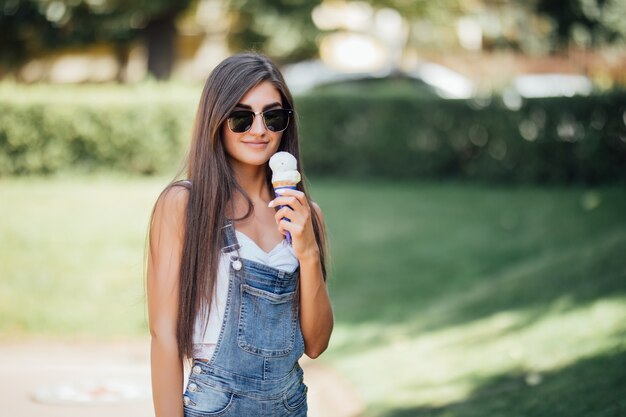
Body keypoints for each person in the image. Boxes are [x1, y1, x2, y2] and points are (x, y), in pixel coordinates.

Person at [146, 52, 334, 417]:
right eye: (241, 117)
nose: (259, 129)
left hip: (289, 406)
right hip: (216, 406)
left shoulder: (306, 216)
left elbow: (317, 343)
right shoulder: (185, 205)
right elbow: (164, 338)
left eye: (273, 115)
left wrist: (308, 252)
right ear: (217, 120)